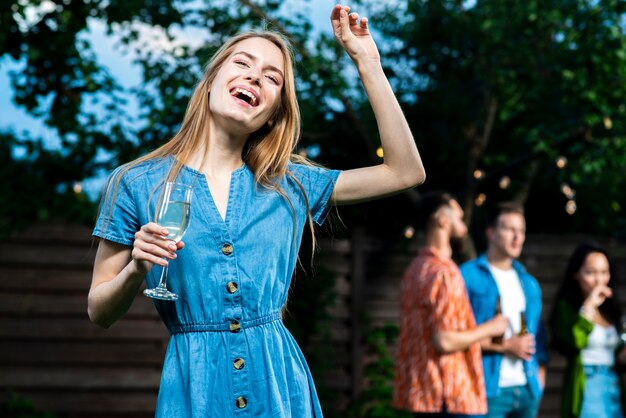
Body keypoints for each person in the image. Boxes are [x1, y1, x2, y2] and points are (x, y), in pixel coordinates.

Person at [87, 4, 425, 417]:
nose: (254, 76)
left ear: (273, 113)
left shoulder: (289, 183)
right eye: (243, 63)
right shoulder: (136, 183)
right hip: (196, 393)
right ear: (211, 80)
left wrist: (368, 62)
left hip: (280, 391)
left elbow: (404, 171)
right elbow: (99, 311)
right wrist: (136, 268)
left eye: (272, 77)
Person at [393, 192, 509, 418]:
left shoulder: (414, 270)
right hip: (449, 393)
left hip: (422, 394)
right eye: (457, 214)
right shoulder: (445, 273)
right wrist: (493, 327)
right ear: (442, 221)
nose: (463, 218)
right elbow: (444, 341)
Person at [460, 202, 548, 418]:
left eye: (521, 231)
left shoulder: (529, 284)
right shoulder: (468, 276)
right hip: (486, 390)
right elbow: (455, 335)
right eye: (510, 229)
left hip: (527, 390)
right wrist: (507, 345)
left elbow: (539, 339)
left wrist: (539, 383)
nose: (517, 237)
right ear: (491, 233)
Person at [549, 242, 626, 418]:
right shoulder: (567, 308)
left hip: (613, 383)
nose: (599, 280)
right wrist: (589, 305)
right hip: (588, 383)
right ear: (576, 274)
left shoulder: (610, 309)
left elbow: (617, 355)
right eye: (591, 272)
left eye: (604, 272)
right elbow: (574, 342)